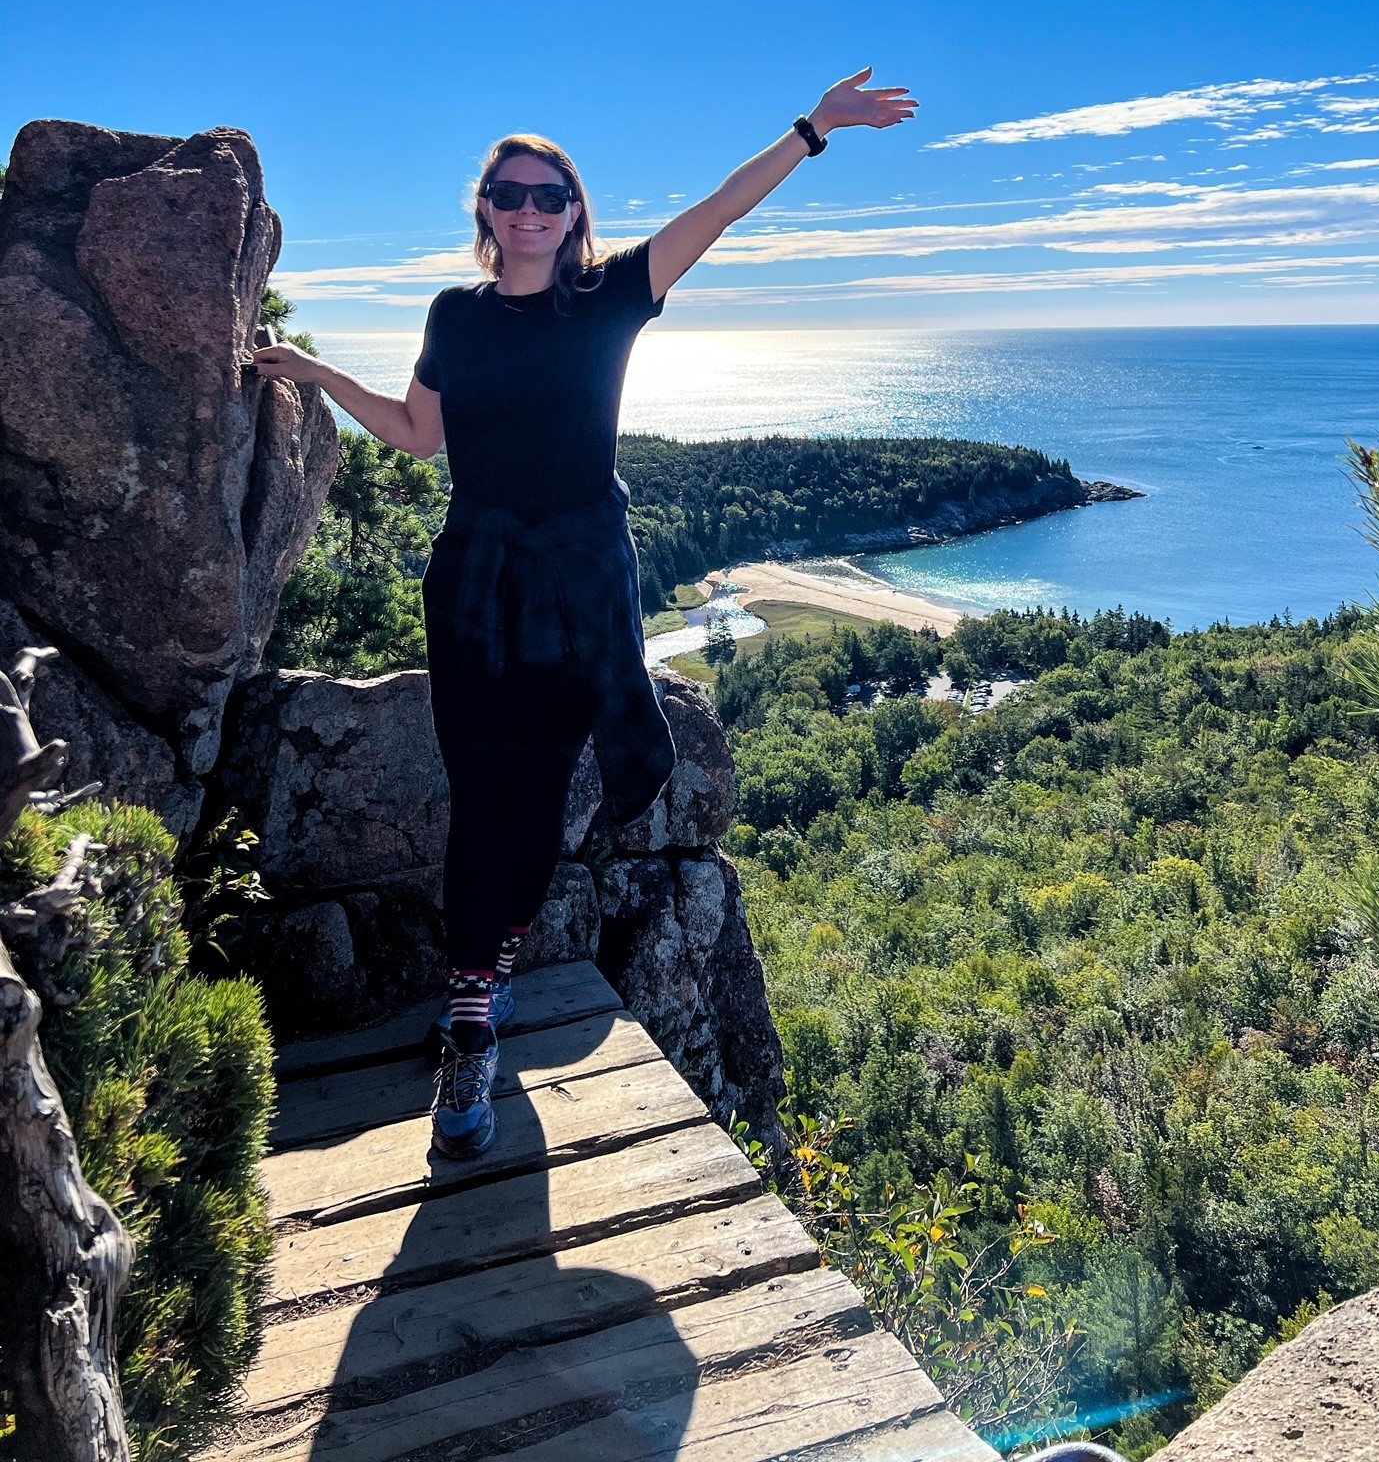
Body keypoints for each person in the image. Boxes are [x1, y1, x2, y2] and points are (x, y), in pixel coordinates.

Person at [252, 68, 917, 1157]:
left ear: (573, 217)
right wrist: (316, 370)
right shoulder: (453, 316)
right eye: (509, 194)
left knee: (533, 786)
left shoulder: (609, 297)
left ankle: (483, 985)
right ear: (484, 208)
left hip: (578, 582)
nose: (528, 211)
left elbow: (715, 212)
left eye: (548, 197)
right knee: (485, 792)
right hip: (475, 577)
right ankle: (477, 1007)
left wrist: (811, 130)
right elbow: (420, 433)